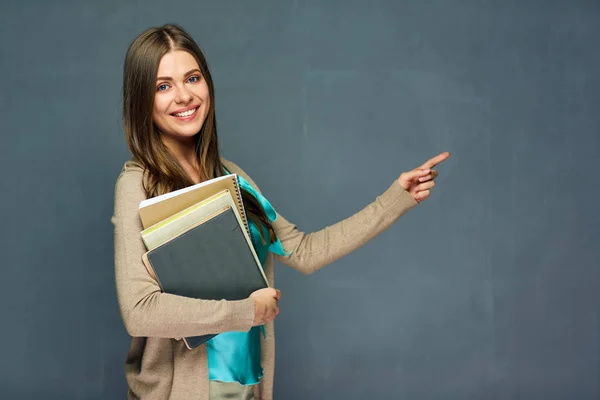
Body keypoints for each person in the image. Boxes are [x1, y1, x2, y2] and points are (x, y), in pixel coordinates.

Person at [112, 23, 450, 400]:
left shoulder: (231, 176)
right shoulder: (137, 185)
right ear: (142, 99)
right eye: (163, 86)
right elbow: (140, 311)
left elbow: (303, 251)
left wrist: (394, 199)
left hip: (246, 388)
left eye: (193, 78)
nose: (184, 96)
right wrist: (244, 312)